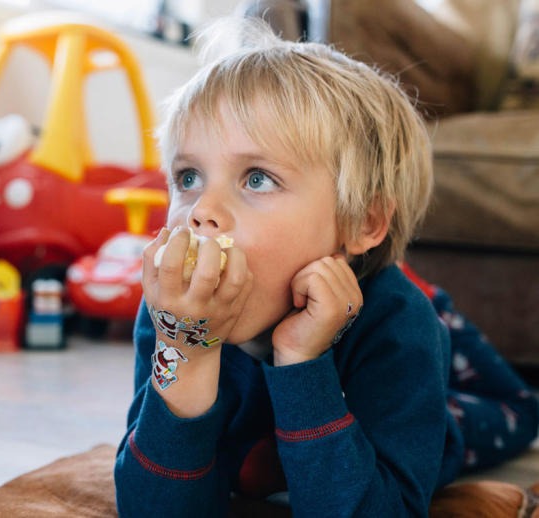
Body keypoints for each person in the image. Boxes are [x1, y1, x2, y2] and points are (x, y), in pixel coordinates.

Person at [113, 17, 539, 517]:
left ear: (362, 221)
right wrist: (186, 354)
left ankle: (417, 291)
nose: (201, 208)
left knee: (493, 414)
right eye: (188, 176)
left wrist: (304, 367)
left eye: (256, 179)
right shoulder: (173, 313)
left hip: (395, 326)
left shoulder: (398, 328)